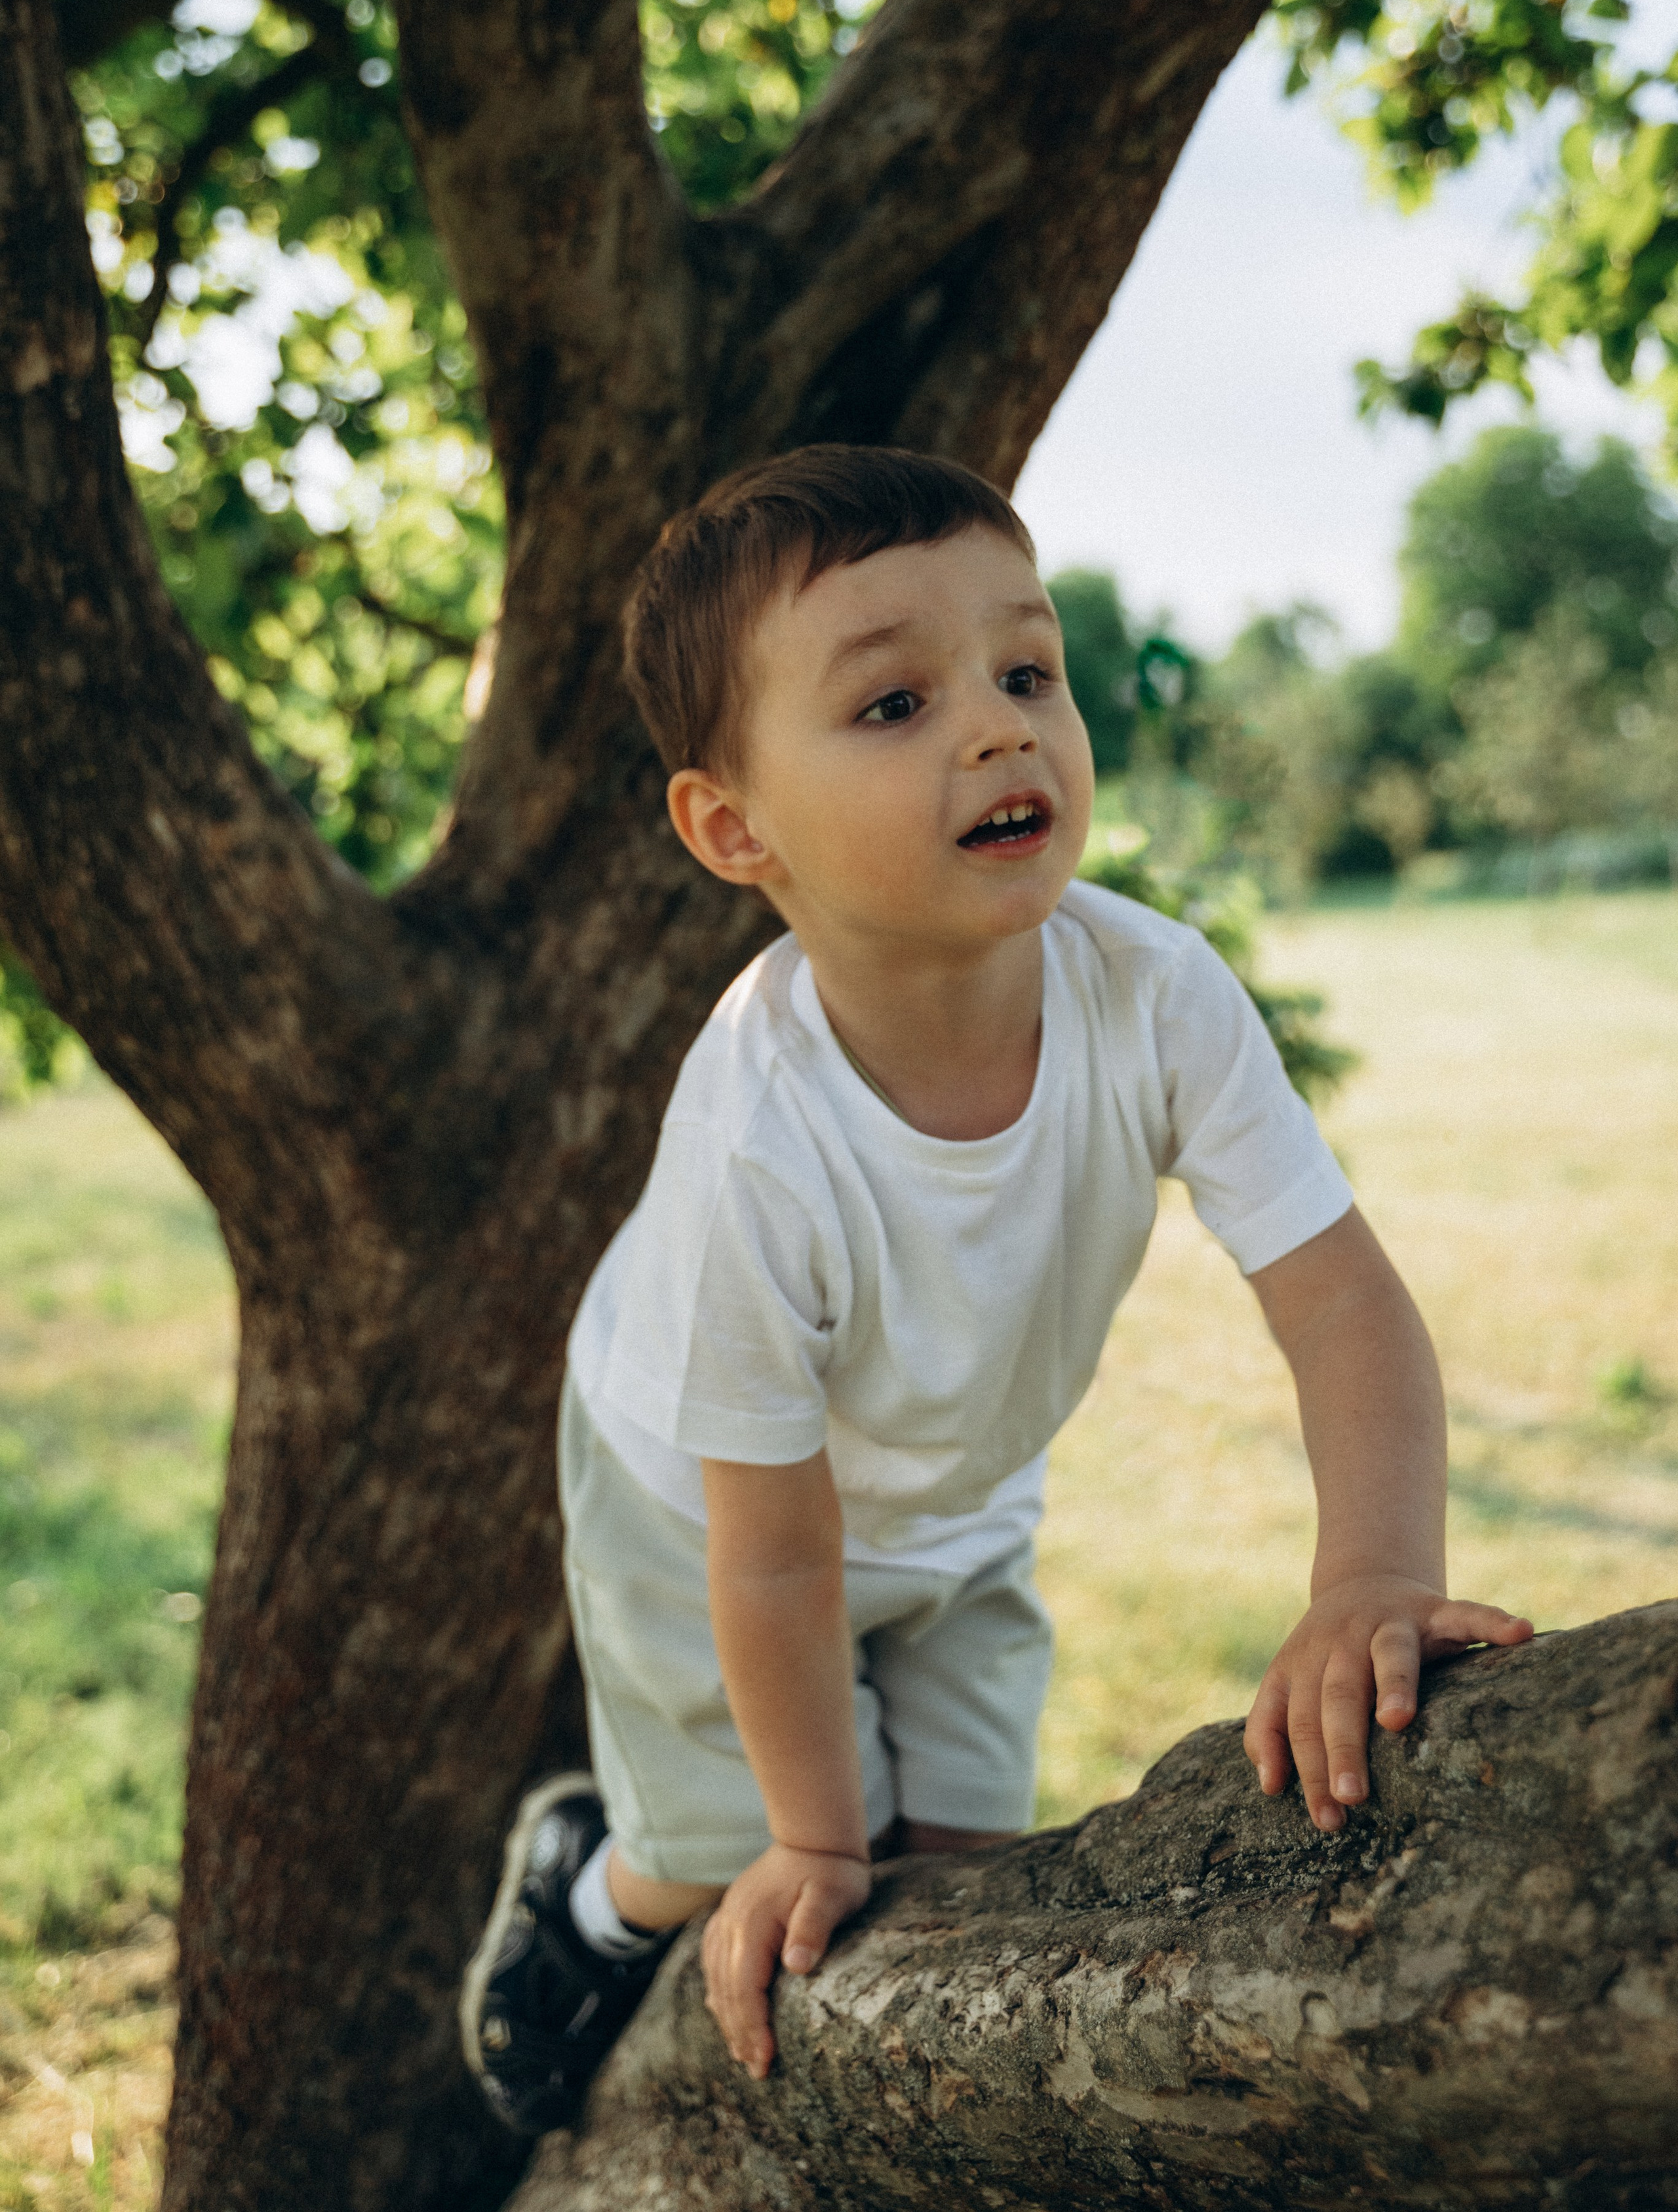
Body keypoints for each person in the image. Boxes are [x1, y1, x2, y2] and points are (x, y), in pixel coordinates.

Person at [458, 446, 1532, 2135]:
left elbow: (1341, 1304)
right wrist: (809, 1833)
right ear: (735, 828)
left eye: (1027, 671)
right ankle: (586, 1900)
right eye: (895, 704)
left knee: (965, 1872)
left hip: (954, 1489)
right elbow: (778, 1547)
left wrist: (1374, 1576)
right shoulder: (757, 1136)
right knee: (750, 1857)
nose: (998, 727)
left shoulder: (1155, 994)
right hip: (701, 1505)